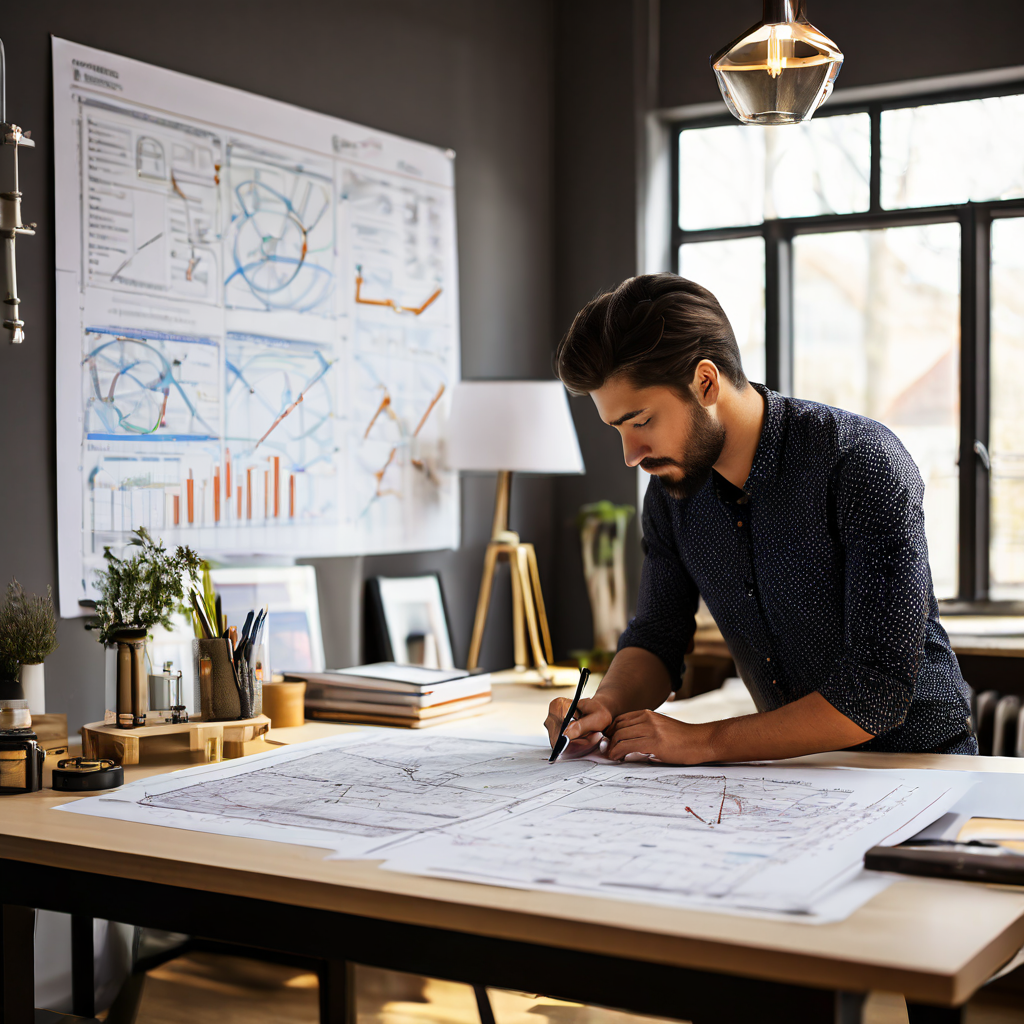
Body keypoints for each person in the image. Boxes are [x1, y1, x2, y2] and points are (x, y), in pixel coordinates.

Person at [545, 273, 976, 763]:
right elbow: (657, 636)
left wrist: (701, 740)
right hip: (786, 774)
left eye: (641, 422)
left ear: (705, 382)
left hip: (921, 772)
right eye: (617, 429)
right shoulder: (672, 490)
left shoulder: (861, 461)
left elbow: (874, 693)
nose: (630, 454)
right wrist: (604, 706)